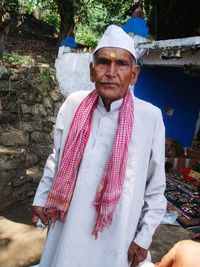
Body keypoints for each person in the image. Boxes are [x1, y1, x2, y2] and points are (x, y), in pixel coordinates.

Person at [32, 24, 167, 267]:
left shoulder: (150, 117)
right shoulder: (74, 104)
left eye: (122, 65)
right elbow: (57, 156)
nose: (111, 72)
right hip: (68, 227)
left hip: (115, 235)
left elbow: (155, 188)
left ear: (134, 74)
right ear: (92, 70)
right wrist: (42, 196)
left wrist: (143, 238)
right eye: (103, 63)